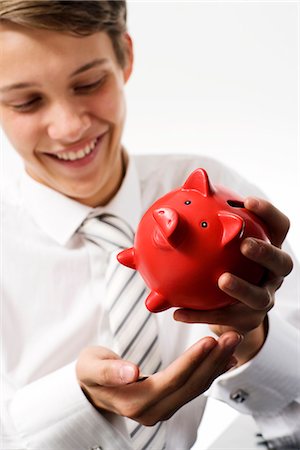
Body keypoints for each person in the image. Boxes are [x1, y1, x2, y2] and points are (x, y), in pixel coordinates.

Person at [0, 1, 299, 449]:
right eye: (26, 101)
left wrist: (253, 339)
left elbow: (292, 416)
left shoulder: (218, 195)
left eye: (89, 83)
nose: (69, 127)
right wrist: (77, 404)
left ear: (126, 55)